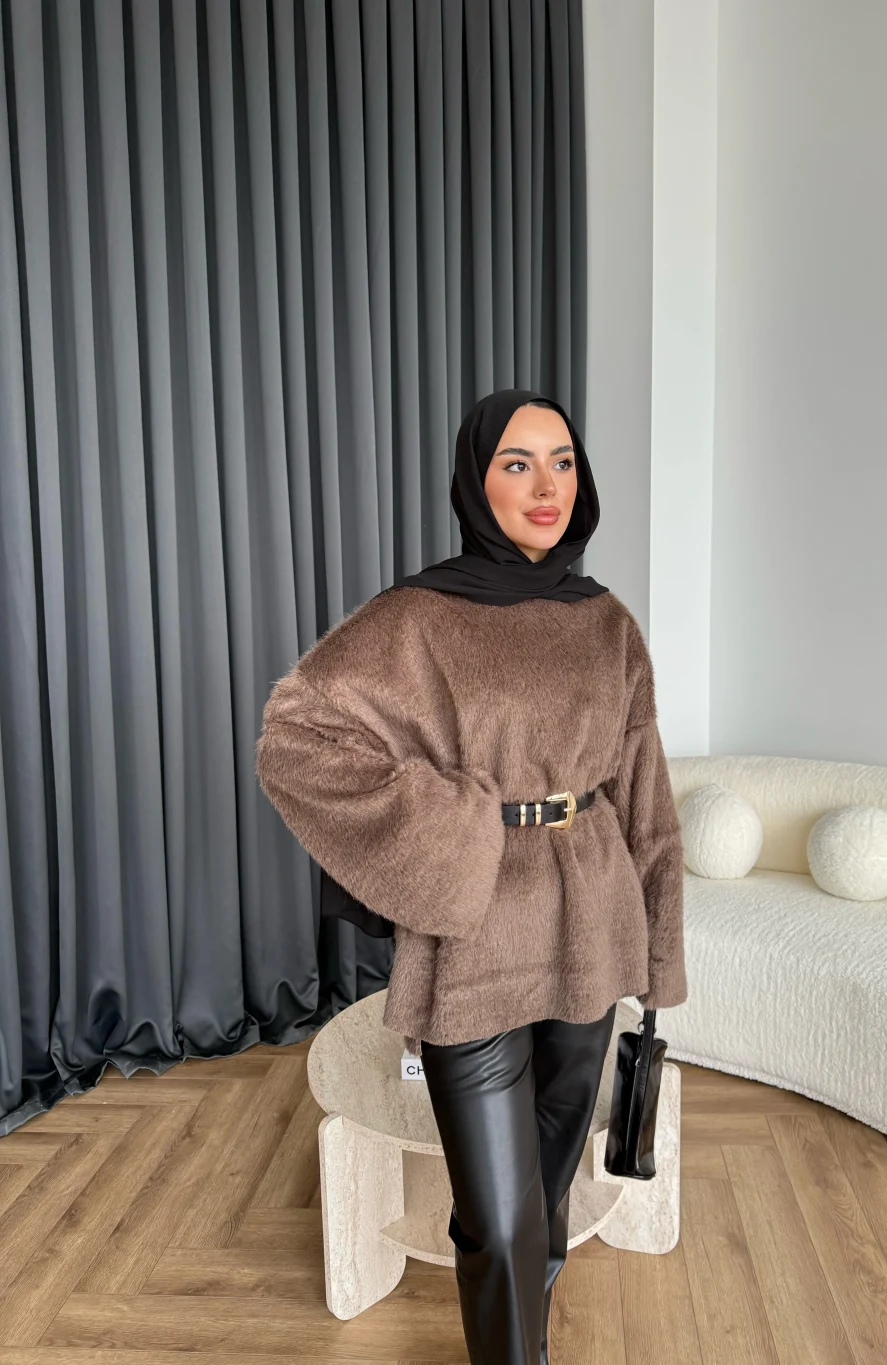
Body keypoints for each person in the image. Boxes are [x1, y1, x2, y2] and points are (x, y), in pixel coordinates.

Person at [255, 388, 687, 1365]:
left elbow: (647, 796)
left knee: (546, 1191)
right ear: (474, 480)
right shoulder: (419, 616)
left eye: (562, 462)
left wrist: (660, 954)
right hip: (477, 935)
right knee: (494, 1219)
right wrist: (454, 830)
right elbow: (296, 739)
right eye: (516, 463)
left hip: (592, 924)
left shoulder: (606, 621)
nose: (545, 486)